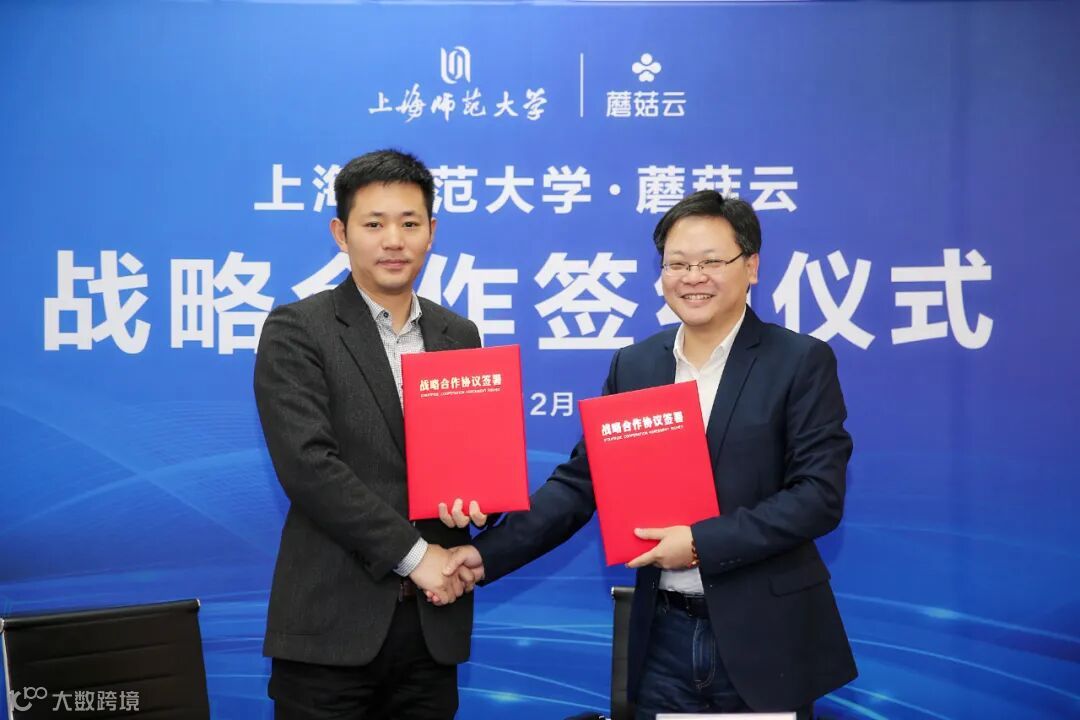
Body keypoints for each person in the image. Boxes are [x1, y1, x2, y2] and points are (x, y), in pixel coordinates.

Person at [444, 191, 857, 719]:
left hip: (766, 637)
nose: (693, 277)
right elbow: (580, 485)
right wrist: (485, 556)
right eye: (677, 264)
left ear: (751, 266)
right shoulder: (636, 366)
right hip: (663, 635)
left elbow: (818, 497)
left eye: (711, 261)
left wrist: (700, 544)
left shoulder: (799, 361)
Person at [254, 149, 485, 720]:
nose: (394, 241)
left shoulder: (459, 335)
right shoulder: (297, 329)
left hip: (432, 627)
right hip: (331, 631)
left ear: (432, 232)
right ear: (342, 233)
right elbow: (309, 466)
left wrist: (480, 503)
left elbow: (471, 460)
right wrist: (415, 555)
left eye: (409, 223)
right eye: (374, 224)